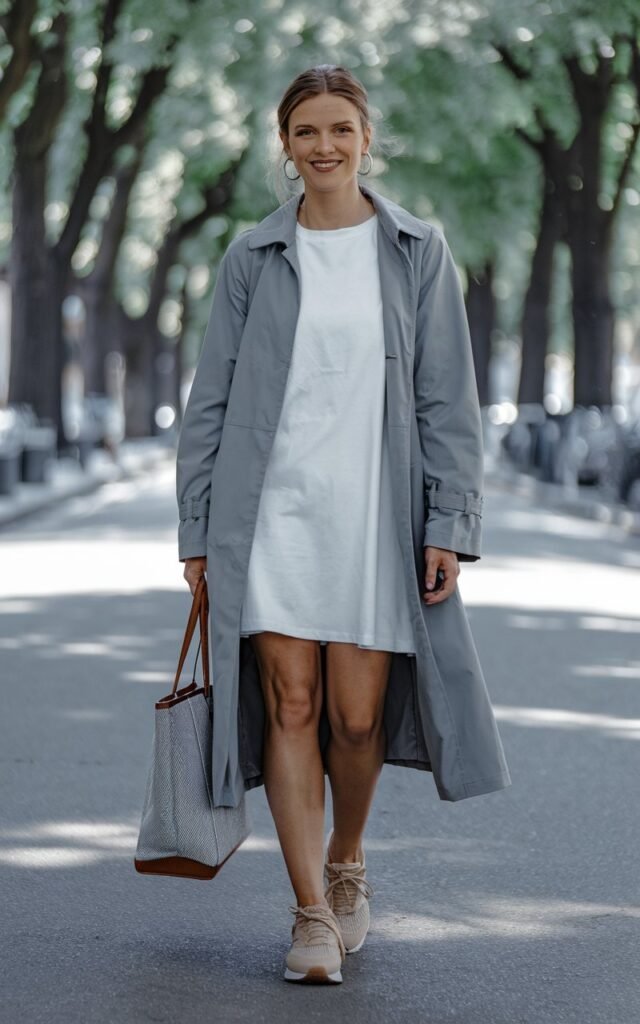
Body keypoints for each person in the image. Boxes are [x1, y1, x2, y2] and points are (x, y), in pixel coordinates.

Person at [177, 63, 511, 985]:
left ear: (367, 139)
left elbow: (449, 399)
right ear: (284, 146)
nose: (323, 146)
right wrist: (199, 532)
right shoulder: (253, 257)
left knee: (357, 719)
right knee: (289, 700)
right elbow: (210, 403)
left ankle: (348, 857)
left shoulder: (415, 249)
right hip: (271, 511)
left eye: (340, 129)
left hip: (375, 510)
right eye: (305, 131)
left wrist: (449, 519)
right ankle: (310, 913)